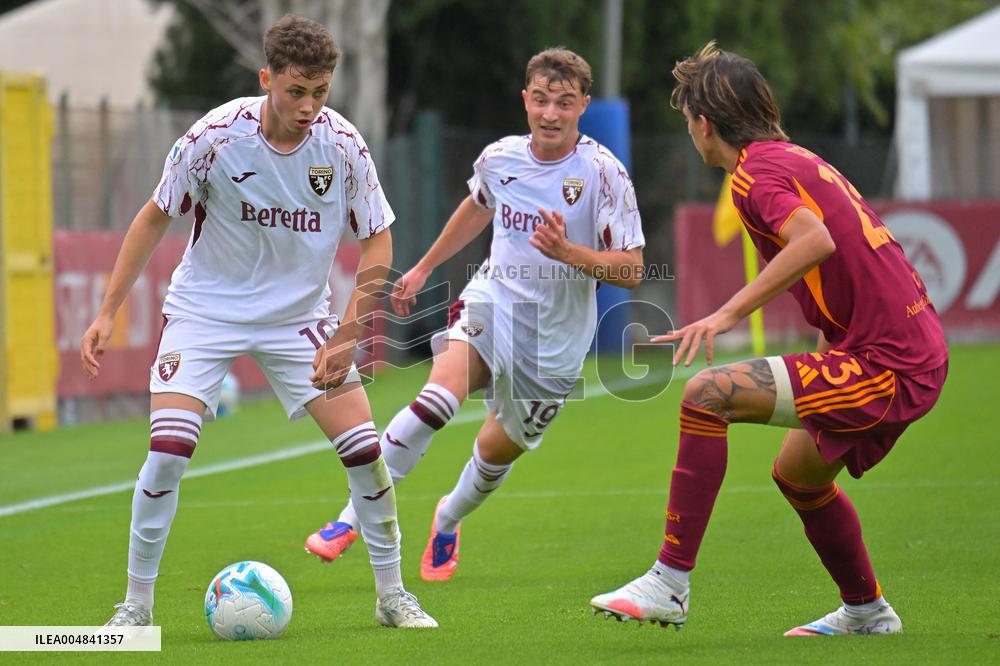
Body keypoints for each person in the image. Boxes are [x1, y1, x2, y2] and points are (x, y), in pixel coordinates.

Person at [80, 15, 436, 629]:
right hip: (205, 312)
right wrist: (107, 311)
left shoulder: (343, 146)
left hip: (297, 318)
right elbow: (153, 217)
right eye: (296, 90)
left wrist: (348, 335)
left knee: (365, 453)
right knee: (168, 451)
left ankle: (392, 597)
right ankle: (134, 609)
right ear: (266, 77)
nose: (308, 106)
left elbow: (378, 242)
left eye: (320, 92)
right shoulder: (214, 135)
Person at [590, 42, 948, 636]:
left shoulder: (754, 174)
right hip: (902, 349)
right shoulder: (787, 157)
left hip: (890, 363)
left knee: (707, 393)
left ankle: (669, 582)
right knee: (799, 475)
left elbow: (815, 240)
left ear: (704, 124)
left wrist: (725, 314)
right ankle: (867, 610)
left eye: (687, 122)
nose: (690, 134)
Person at [304, 47, 645, 582]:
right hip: (494, 302)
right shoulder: (500, 157)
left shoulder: (604, 173)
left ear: (582, 105)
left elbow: (632, 270)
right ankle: (352, 518)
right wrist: (422, 268)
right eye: (540, 100)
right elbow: (478, 205)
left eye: (563, 102)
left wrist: (569, 254)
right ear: (524, 100)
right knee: (437, 399)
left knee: (494, 451)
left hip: (556, 343)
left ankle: (447, 517)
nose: (549, 113)